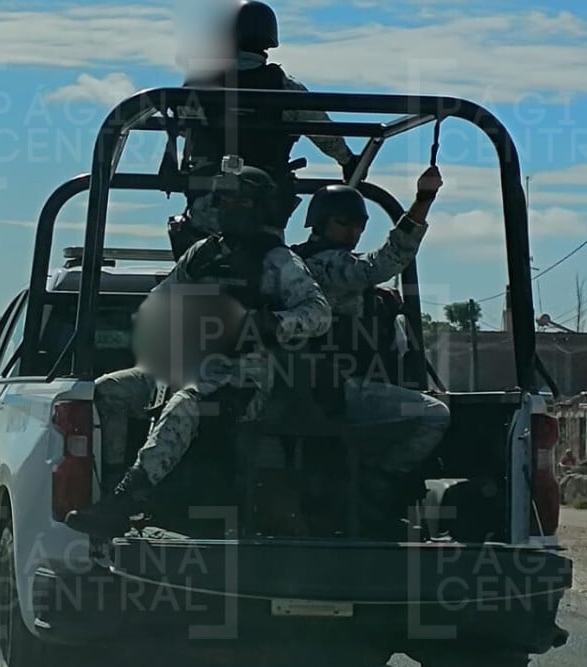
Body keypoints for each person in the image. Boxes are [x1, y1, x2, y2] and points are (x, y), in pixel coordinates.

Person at [64, 159, 332, 537]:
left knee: (184, 404)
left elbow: (319, 313)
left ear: (261, 207)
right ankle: (111, 490)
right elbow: (160, 297)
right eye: (224, 201)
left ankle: (126, 502)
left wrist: (269, 322)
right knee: (108, 390)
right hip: (182, 365)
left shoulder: (277, 260)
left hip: (244, 379)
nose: (230, 210)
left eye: (241, 202)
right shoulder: (204, 252)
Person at [291, 165, 450, 535]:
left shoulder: (302, 264)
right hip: (333, 392)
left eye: (360, 224)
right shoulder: (325, 264)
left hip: (329, 389)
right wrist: (423, 201)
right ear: (321, 223)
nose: (354, 230)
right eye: (345, 222)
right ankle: (375, 484)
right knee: (433, 415)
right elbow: (386, 262)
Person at [169, 0, 362, 250]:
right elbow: (324, 132)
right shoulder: (286, 89)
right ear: (269, 39)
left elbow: (184, 129)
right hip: (266, 209)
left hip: (210, 204)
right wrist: (347, 160)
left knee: (200, 267)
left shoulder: (198, 85)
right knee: (267, 269)